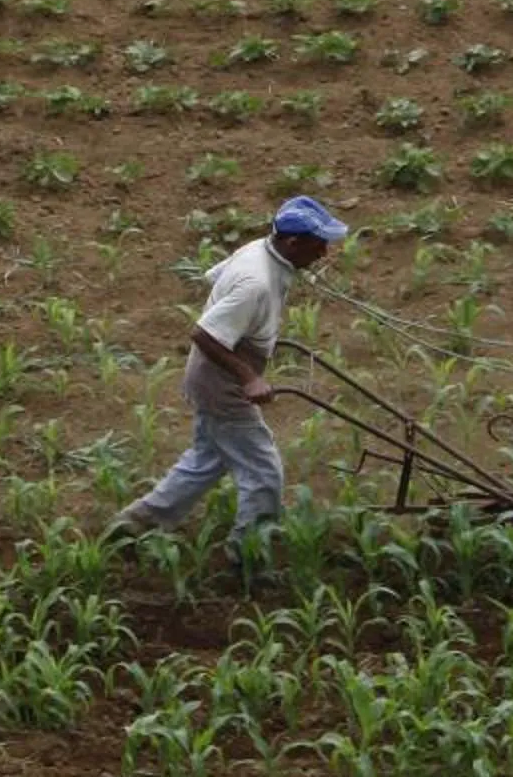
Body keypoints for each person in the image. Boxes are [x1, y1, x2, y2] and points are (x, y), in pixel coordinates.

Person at [109, 194, 348, 563]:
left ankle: (135, 524)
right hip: (222, 384)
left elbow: (217, 280)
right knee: (264, 471)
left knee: (206, 460)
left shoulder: (262, 250)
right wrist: (249, 376)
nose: (324, 254)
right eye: (318, 246)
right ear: (293, 242)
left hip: (212, 377)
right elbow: (204, 333)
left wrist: (260, 336)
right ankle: (248, 555)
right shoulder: (256, 281)